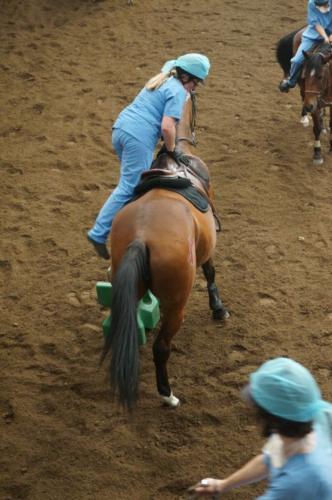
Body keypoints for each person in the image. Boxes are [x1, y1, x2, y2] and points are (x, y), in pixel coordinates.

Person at [87, 53, 210, 259]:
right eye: (195, 83)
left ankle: (129, 228)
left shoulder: (163, 78)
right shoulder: (178, 91)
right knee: (130, 185)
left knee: (132, 184)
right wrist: (171, 151)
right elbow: (168, 127)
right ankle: (98, 233)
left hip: (121, 130)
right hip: (138, 137)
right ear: (186, 78)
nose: (194, 88)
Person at [189, 357, 332, 499]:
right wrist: (222, 485)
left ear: (269, 418)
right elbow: (270, 459)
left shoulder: (295, 482)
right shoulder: (313, 417)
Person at [279, 0, 332, 92]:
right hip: (312, 36)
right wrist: (324, 37)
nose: (322, 7)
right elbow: (315, 23)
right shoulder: (311, 3)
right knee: (296, 61)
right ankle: (291, 81)